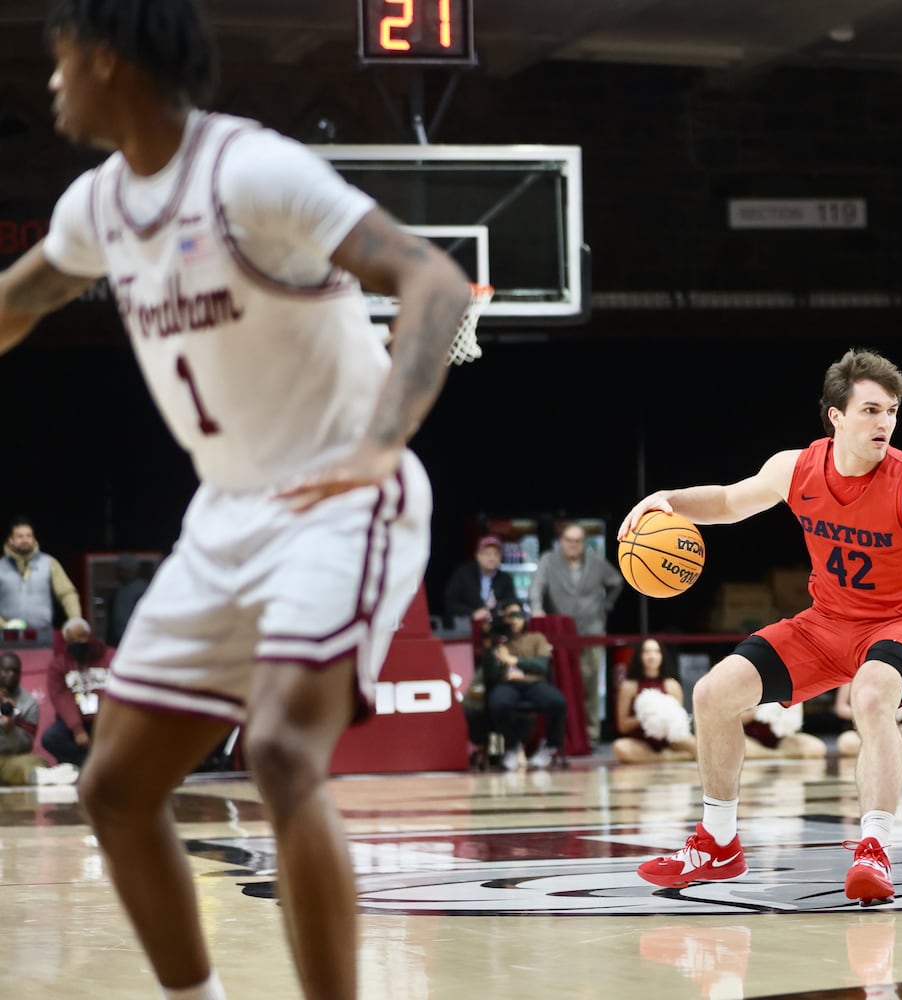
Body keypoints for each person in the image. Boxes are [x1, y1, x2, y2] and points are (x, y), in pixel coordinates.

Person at [0, 3, 471, 997]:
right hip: (226, 514)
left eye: (61, 62)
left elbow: (432, 278)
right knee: (117, 785)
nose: (51, 84)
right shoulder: (99, 204)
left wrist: (381, 439)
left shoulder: (252, 172)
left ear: (110, 60)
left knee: (278, 750)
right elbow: (18, 300)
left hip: (345, 495)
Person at [619, 348, 902, 903]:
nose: (885, 423)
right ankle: (719, 843)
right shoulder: (796, 467)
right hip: (824, 622)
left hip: (900, 622)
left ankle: (874, 849)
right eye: (871, 410)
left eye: (892, 411)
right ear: (836, 416)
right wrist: (668, 500)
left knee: (872, 699)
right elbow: (731, 501)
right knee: (712, 694)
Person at [531, 522, 624, 740]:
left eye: (578, 541)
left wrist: (605, 607)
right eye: (569, 540)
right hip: (561, 634)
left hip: (591, 630)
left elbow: (616, 582)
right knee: (563, 684)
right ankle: (564, 735)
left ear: (583, 543)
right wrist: (537, 609)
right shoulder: (549, 560)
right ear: (561, 542)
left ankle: (590, 734)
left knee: (590, 685)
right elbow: (537, 586)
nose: (573, 545)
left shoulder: (595, 562)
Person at [463, 603, 566, 771]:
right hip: (508, 684)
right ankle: (512, 745)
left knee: (557, 702)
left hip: (534, 683)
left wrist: (514, 661)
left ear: (524, 618)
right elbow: (490, 675)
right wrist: (490, 647)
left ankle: (551, 745)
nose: (513, 620)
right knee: (498, 703)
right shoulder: (500, 641)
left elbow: (542, 665)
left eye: (517, 615)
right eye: (509, 616)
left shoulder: (536, 638)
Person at [611, 637, 697, 764]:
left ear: (662, 656)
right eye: (647, 652)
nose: (652, 656)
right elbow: (622, 726)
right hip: (640, 741)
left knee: (697, 745)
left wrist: (666, 718)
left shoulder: (672, 685)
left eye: (656, 652)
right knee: (619, 747)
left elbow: (679, 720)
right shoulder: (628, 686)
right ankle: (668, 758)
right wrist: (647, 716)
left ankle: (666, 754)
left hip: (669, 740)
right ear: (640, 656)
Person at [43, 616, 114, 767]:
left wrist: (106, 722)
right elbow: (61, 697)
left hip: (108, 720)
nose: (78, 642)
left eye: (81, 636)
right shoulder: (59, 665)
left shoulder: (111, 657)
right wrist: (77, 729)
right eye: (72, 640)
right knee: (51, 738)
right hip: (78, 722)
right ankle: (88, 766)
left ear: (89, 635)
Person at [0, 651, 79, 786]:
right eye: (6, 671)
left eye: (15, 671)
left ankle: (43, 775)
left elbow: (25, 746)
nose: (11, 675)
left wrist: (11, 728)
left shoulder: (29, 703)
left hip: (10, 757)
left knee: (35, 762)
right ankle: (43, 776)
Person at [0, 517, 83, 640]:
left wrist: (76, 620)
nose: (25, 540)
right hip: (6, 636)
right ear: (11, 540)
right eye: (20, 536)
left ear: (33, 539)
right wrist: (3, 625)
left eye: (29, 536)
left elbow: (67, 594)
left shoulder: (49, 563)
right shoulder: (1, 566)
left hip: (43, 634)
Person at [834, 680, 902, 757]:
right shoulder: (854, 672)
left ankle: (890, 753)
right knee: (847, 743)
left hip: (894, 728)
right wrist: (869, 715)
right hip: (863, 729)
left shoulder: (898, 672)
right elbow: (841, 708)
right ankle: (883, 751)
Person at [443, 535, 521, 626]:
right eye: (488, 554)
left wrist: (495, 610)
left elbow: (512, 600)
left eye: (496, 554)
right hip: (465, 624)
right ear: (478, 555)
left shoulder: (505, 578)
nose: (492, 558)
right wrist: (472, 613)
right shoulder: (463, 574)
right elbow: (451, 602)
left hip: (497, 625)